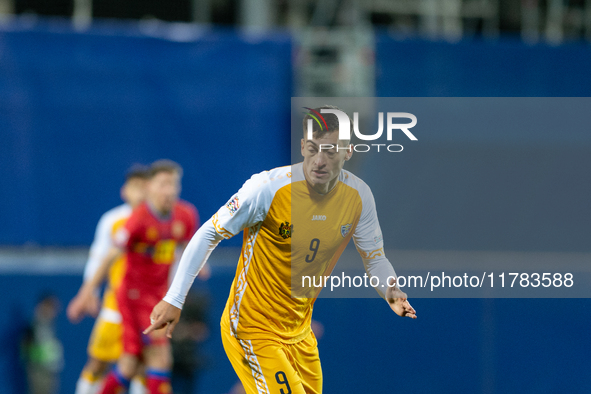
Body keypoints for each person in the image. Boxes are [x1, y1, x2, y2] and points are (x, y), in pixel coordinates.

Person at [145, 106, 417, 394]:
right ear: (302, 146)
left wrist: (392, 290)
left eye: (331, 150)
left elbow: (375, 258)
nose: (320, 160)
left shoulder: (358, 197)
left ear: (348, 151)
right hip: (251, 327)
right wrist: (175, 299)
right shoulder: (267, 188)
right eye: (312, 149)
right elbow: (209, 233)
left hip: (300, 335)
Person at [79, 160, 199, 394]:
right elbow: (110, 255)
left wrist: (197, 265)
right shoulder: (136, 219)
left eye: (174, 184)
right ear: (150, 188)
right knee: (160, 358)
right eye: (164, 184)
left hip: (160, 296)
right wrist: (87, 291)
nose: (170, 190)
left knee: (130, 364)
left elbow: (189, 247)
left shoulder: (185, 215)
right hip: (134, 298)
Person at [67, 164, 149, 394]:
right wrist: (89, 293)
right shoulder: (112, 220)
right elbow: (99, 257)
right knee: (98, 362)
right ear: (125, 190)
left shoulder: (159, 220)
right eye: (135, 186)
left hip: (147, 308)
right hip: (115, 307)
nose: (140, 192)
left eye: (144, 186)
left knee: (143, 367)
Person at [21, 293, 64, 394]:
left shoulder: (50, 324)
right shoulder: (35, 325)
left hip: (50, 369)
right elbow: (26, 346)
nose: (54, 310)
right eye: (51, 306)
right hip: (39, 370)